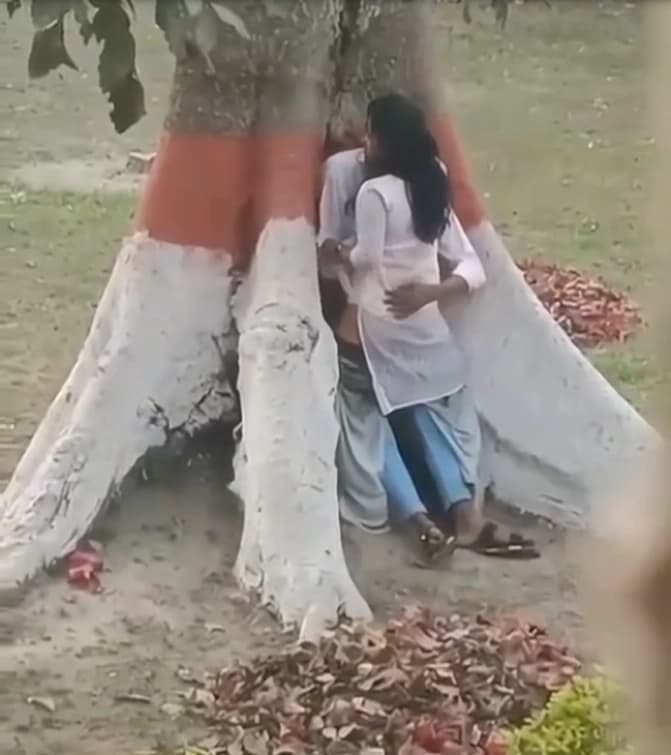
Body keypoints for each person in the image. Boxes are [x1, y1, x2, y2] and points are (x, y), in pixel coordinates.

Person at [317, 93, 538, 562]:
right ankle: (466, 516)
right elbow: (470, 266)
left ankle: (419, 521)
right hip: (421, 334)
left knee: (368, 427)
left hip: (366, 329)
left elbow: (364, 259)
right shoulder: (431, 181)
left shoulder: (372, 191)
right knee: (419, 412)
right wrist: (430, 293)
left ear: (381, 142)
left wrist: (338, 252)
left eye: (370, 132)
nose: (363, 139)